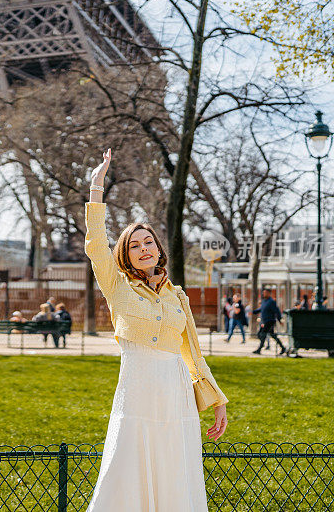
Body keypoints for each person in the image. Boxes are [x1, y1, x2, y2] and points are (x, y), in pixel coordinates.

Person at [85, 149, 227, 511]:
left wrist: (217, 401)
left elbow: (192, 352)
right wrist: (96, 188)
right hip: (137, 390)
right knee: (126, 465)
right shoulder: (117, 286)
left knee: (175, 469)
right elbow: (96, 246)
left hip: (176, 393)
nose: (143, 248)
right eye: (134, 245)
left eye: (148, 242)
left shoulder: (177, 296)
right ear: (126, 256)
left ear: (159, 250)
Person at [252, 289, 287, 355]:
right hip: (265, 321)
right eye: (263, 293)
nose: (263, 294)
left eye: (265, 293)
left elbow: (277, 311)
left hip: (270, 321)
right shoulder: (264, 301)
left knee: (263, 334)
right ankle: (283, 348)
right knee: (268, 335)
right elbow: (261, 309)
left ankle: (259, 349)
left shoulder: (271, 302)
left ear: (269, 293)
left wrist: (279, 319)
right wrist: (254, 311)